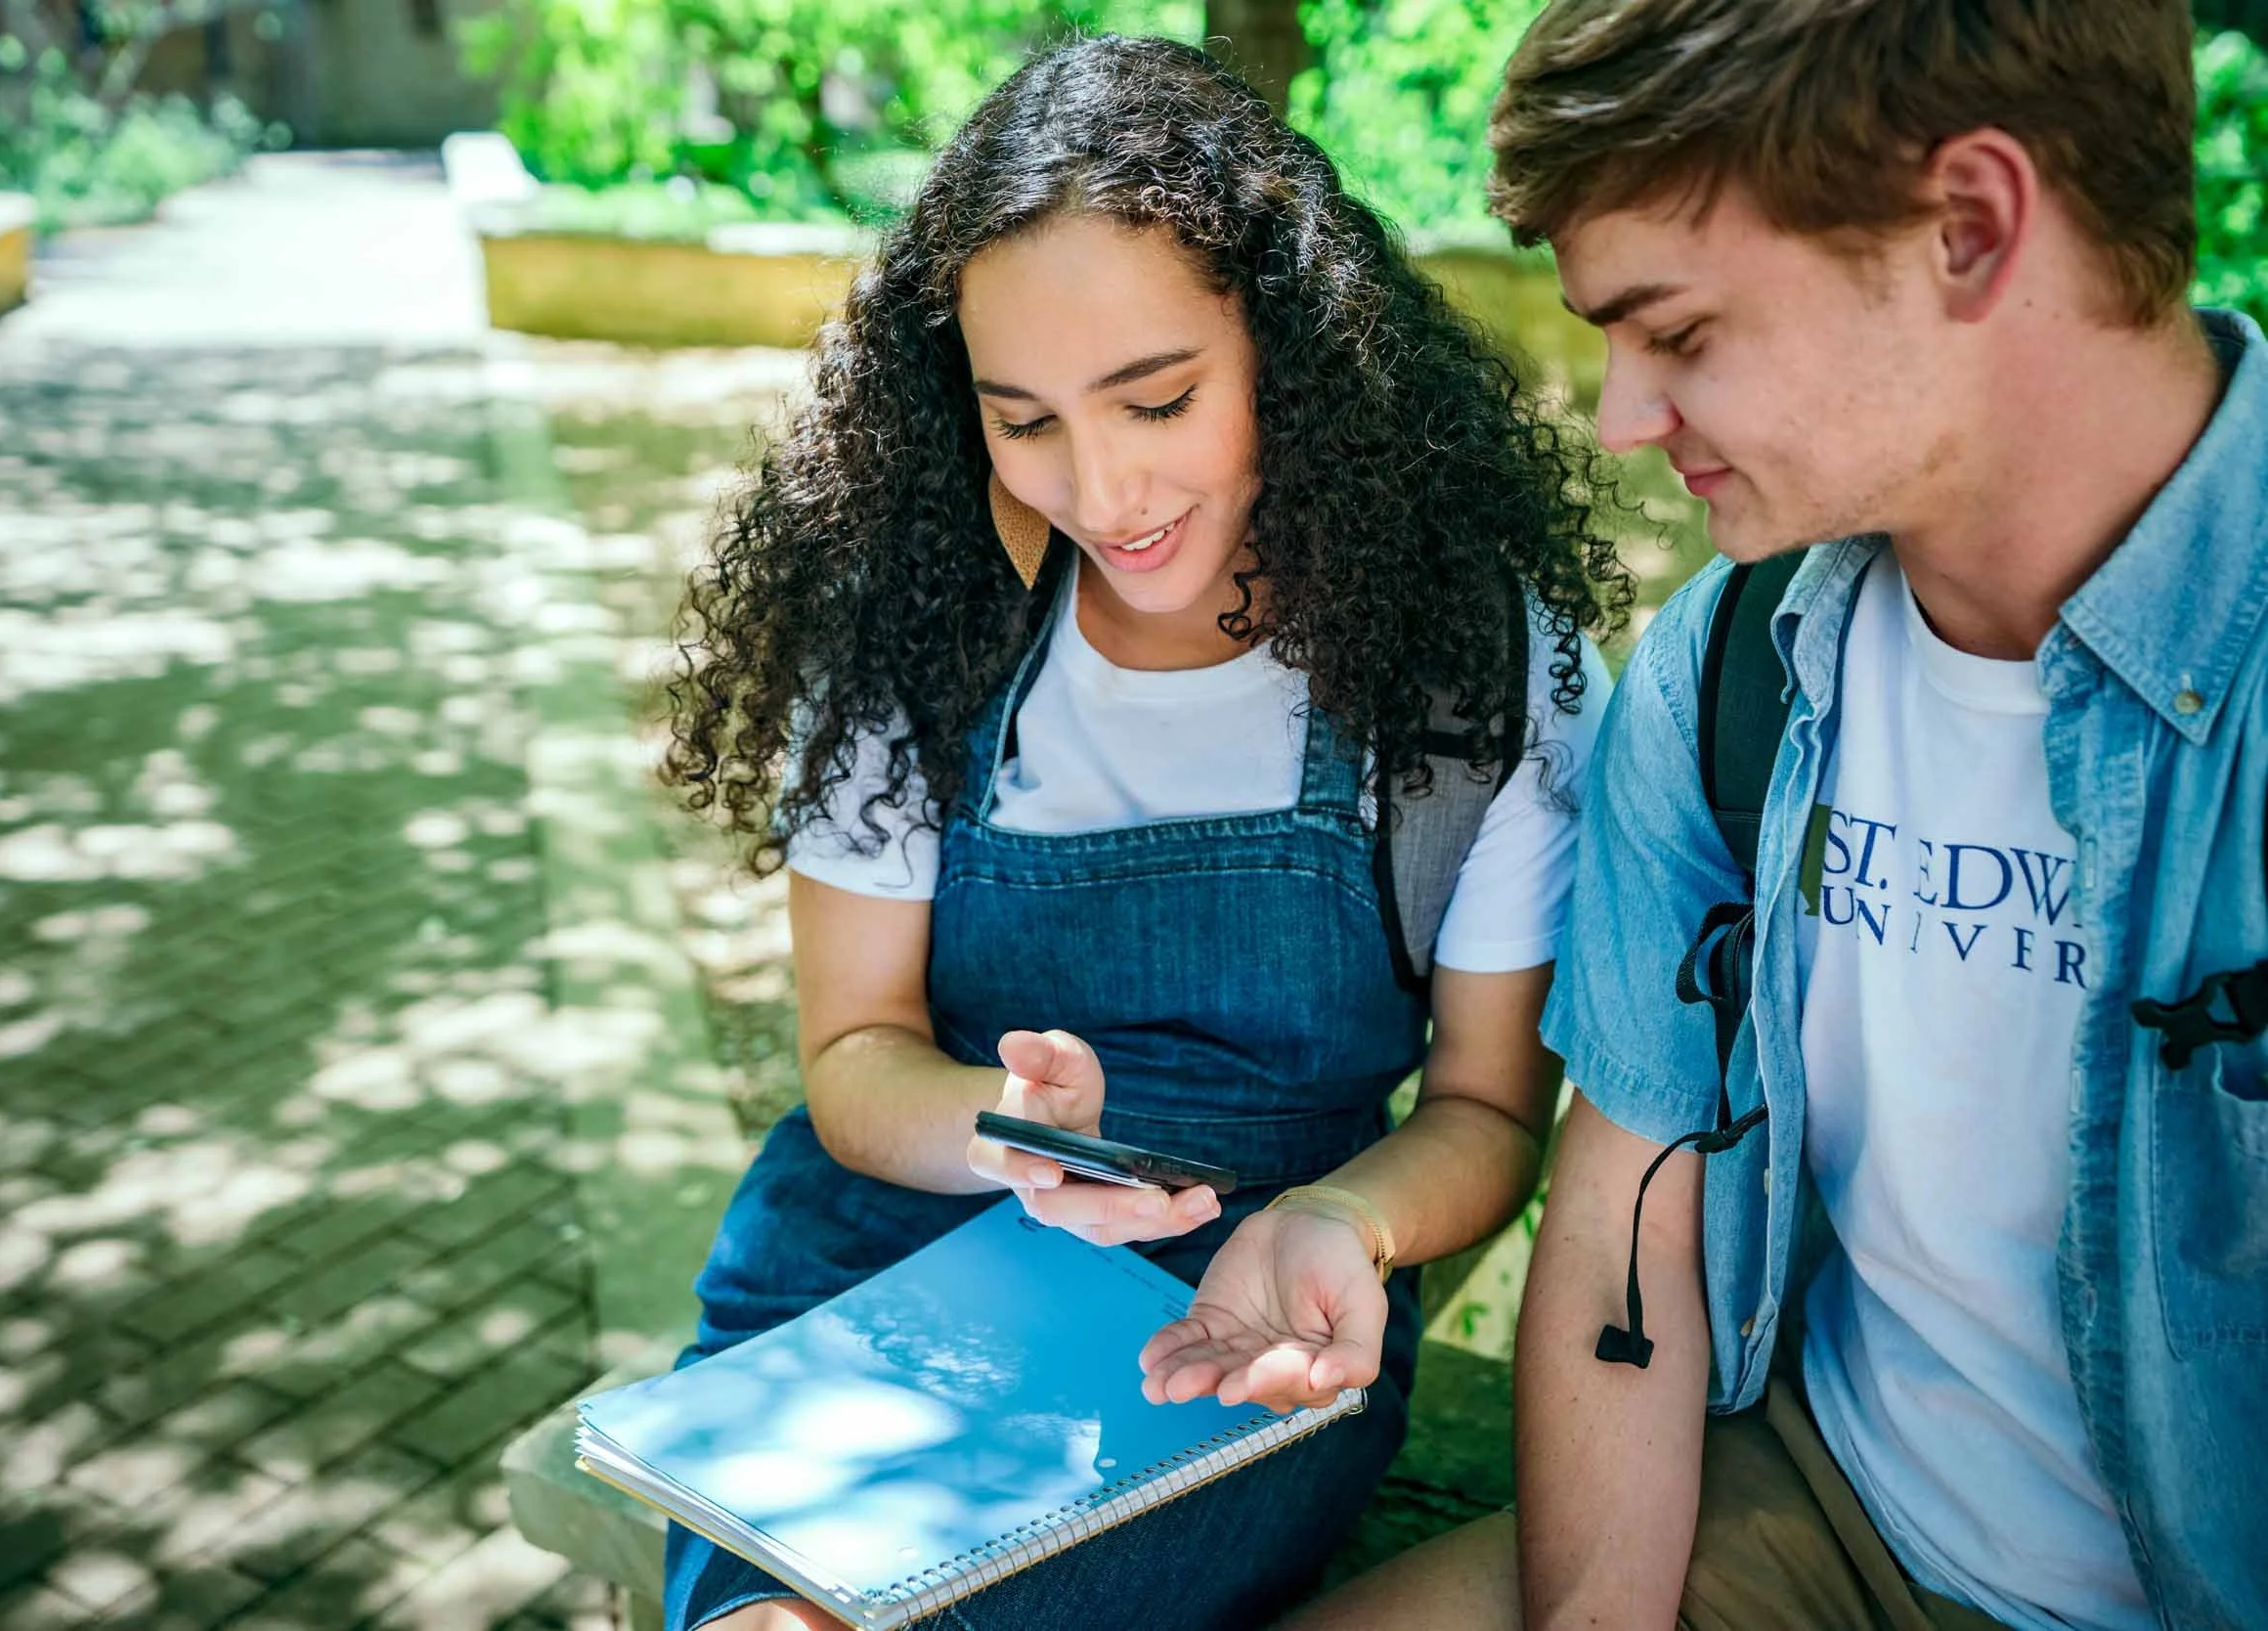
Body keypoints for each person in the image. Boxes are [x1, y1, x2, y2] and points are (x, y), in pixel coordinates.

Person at [1288, 3, 2268, 1629]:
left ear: (1969, 226)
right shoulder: (1732, 665)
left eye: (1676, 333)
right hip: (1827, 1506)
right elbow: (1625, 1217)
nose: (1619, 416)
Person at [658, 33, 1629, 1631]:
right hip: (881, 1272)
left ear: (1290, 344)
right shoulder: (915, 624)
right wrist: (1008, 1130)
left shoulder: (1475, 673)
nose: (1101, 492)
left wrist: (1343, 1218)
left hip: (1237, 1323)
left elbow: (1484, 1114)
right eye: (1022, 422)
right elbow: (854, 1061)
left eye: (1157, 398)